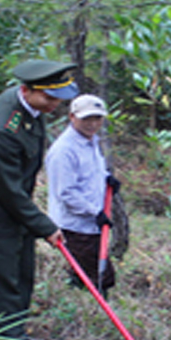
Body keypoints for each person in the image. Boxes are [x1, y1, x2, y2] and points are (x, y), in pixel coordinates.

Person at [0, 59, 79, 340]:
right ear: (26, 90)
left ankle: (18, 334)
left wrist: (33, 222)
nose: (55, 104)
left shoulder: (31, 107)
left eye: (59, 98)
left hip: (16, 207)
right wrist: (46, 226)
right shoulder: (1, 130)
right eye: (49, 98)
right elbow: (8, 191)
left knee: (22, 273)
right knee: (3, 280)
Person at [46, 94, 118, 295]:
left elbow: (90, 172)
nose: (93, 124)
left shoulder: (91, 141)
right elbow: (66, 193)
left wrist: (106, 179)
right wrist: (96, 212)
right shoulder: (64, 151)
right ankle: (91, 314)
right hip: (75, 225)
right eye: (87, 119)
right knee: (101, 277)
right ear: (72, 117)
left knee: (86, 271)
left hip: (92, 222)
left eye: (97, 118)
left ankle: (73, 294)